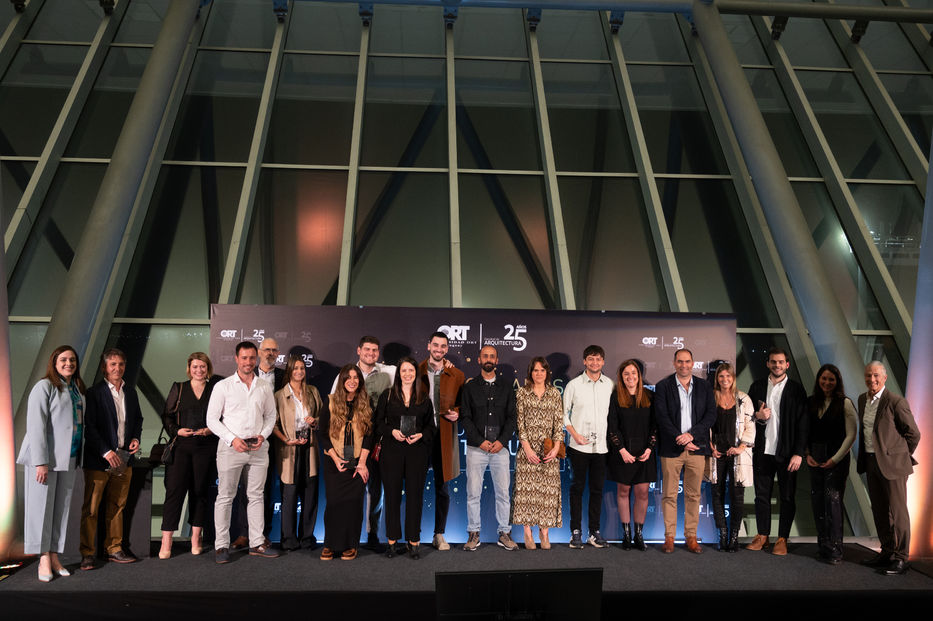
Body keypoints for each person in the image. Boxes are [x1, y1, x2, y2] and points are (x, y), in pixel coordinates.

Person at [17, 346, 86, 581]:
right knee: (41, 510)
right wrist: (40, 462)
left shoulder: (76, 388)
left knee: (61, 510)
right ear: (54, 362)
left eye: (72, 360)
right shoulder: (44, 386)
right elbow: (36, 426)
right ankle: (43, 557)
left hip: (69, 457)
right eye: (64, 359)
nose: (69, 363)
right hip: (45, 460)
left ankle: (55, 555)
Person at [207, 341, 279, 563]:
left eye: (251, 358)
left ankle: (257, 542)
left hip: (258, 450)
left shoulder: (264, 387)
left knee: (256, 496)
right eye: (244, 358)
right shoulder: (223, 386)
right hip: (231, 449)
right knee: (225, 497)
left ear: (256, 358)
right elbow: (211, 419)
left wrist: (263, 435)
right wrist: (232, 439)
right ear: (236, 359)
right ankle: (221, 546)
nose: (248, 362)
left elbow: (270, 417)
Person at [79, 348, 143, 570]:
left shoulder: (131, 392)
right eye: (113, 364)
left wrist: (135, 437)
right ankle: (87, 553)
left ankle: (114, 550)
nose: (118, 368)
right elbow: (90, 427)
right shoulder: (94, 393)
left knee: (117, 506)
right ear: (104, 367)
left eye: (121, 364)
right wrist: (106, 451)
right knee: (92, 509)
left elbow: (138, 419)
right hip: (100, 460)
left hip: (124, 459)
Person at [332, 336, 396, 552]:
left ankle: (372, 534)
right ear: (358, 350)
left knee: (377, 490)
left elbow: (411, 375)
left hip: (378, 442)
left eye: (375, 350)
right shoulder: (346, 374)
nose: (371, 353)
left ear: (378, 353)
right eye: (367, 349)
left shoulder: (389, 373)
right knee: (351, 489)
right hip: (351, 443)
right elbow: (333, 404)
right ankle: (349, 536)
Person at [857, 361, 920, 576]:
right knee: (880, 510)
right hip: (871, 462)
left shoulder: (895, 401)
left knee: (898, 512)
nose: (871, 380)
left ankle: (902, 558)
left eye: (875, 376)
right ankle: (887, 551)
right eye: (868, 376)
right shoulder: (862, 400)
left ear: (884, 378)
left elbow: (913, 434)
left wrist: (898, 455)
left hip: (893, 465)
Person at [746, 347, 808, 556]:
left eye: (781, 362)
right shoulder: (756, 387)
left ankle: (782, 538)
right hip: (763, 452)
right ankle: (762, 535)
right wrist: (757, 415)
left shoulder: (796, 390)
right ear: (768, 364)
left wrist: (799, 453)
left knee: (787, 497)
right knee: (761, 496)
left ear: (787, 365)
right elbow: (746, 417)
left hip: (788, 453)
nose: (777, 365)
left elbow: (803, 424)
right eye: (773, 362)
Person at [654, 348, 716, 554]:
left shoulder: (705, 386)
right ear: (674, 363)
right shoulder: (663, 386)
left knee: (693, 495)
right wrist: (681, 439)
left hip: (697, 448)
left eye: (687, 361)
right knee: (670, 495)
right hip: (671, 449)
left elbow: (710, 415)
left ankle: (691, 537)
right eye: (680, 361)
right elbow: (661, 417)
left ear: (693, 363)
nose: (684, 365)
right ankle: (669, 537)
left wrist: (691, 436)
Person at [158, 352, 220, 559]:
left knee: (200, 492)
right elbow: (166, 416)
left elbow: (224, 415)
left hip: (206, 447)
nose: (199, 370)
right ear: (189, 369)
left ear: (208, 368)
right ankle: (166, 540)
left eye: (202, 367)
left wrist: (211, 430)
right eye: (195, 367)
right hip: (182, 447)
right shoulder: (179, 387)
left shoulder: (215, 388)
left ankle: (196, 537)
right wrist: (176, 431)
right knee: (174, 492)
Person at [375, 357, 435, 559]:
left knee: (415, 498)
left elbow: (430, 428)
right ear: (398, 374)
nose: (407, 374)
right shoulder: (388, 395)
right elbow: (378, 424)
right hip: (392, 452)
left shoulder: (424, 397)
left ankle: (413, 541)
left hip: (416, 452)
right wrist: (391, 431)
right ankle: (392, 541)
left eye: (411, 370)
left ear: (416, 374)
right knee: (391, 497)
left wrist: (421, 435)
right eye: (404, 371)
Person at [460, 345, 518, 551]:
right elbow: (465, 418)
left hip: (500, 450)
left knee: (503, 493)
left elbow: (512, 418)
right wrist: (479, 441)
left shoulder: (507, 386)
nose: (488, 359)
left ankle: (504, 533)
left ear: (497, 360)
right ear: (479, 359)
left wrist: (502, 441)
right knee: (473, 493)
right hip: (477, 449)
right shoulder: (469, 387)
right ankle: (473, 533)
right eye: (485, 356)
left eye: (492, 356)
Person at [318, 364, 374, 561]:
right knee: (334, 503)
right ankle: (330, 545)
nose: (352, 380)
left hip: (358, 462)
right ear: (342, 381)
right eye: (348, 377)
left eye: (356, 377)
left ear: (360, 381)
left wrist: (363, 463)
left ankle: (351, 545)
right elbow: (322, 434)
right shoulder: (331, 401)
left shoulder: (366, 403)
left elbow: (369, 435)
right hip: (335, 461)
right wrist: (335, 458)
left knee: (353, 505)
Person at [417, 331, 465, 551]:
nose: (439, 349)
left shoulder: (457, 375)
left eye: (443, 346)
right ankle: (412, 535)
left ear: (447, 349)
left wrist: (457, 412)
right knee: (415, 486)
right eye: (435, 345)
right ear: (429, 346)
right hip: (418, 437)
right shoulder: (414, 371)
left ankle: (439, 534)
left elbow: (464, 405)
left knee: (442, 487)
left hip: (444, 436)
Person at [563, 345, 613, 549]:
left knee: (597, 490)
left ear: (603, 362)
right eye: (591, 359)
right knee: (576, 489)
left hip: (601, 448)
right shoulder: (573, 385)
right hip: (578, 447)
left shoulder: (609, 384)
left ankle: (595, 532)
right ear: (584, 361)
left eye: (598, 359)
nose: (594, 363)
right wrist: (575, 435)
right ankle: (575, 532)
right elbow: (563, 414)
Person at [512, 357, 564, 550]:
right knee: (527, 493)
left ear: (547, 373)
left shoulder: (554, 393)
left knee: (547, 493)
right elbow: (520, 423)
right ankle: (527, 532)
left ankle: (544, 532)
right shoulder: (522, 394)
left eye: (542, 370)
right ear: (530, 373)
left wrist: (557, 447)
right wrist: (526, 448)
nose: (539, 373)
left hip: (549, 451)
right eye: (535, 370)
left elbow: (559, 423)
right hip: (527, 451)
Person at [806, 364, 856, 565]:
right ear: (819, 380)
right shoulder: (811, 402)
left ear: (837, 382)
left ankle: (836, 550)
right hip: (814, 458)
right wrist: (807, 453)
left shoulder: (845, 403)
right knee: (818, 502)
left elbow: (852, 435)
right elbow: (806, 432)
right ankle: (823, 546)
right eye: (824, 378)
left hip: (837, 460)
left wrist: (835, 459)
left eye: (831, 379)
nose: (827, 382)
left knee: (833, 502)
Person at [273, 355, 324, 551]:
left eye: (302, 368)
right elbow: (273, 424)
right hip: (289, 448)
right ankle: (288, 539)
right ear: (289, 371)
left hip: (309, 448)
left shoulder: (312, 391)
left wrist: (315, 421)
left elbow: (321, 417)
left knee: (310, 495)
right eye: (295, 368)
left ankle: (307, 537)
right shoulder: (279, 395)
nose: (299, 372)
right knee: (290, 495)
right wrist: (286, 439)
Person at [606, 359, 656, 552]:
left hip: (645, 452)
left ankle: (638, 535)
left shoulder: (650, 396)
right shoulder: (616, 397)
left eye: (633, 373)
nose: (630, 377)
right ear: (621, 377)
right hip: (622, 453)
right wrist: (622, 451)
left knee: (642, 493)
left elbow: (655, 426)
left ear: (639, 376)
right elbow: (612, 427)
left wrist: (650, 448)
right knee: (623, 492)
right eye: (626, 374)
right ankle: (626, 535)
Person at [708, 363, 755, 553]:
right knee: (716, 494)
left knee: (737, 496)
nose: (724, 379)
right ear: (717, 378)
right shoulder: (711, 398)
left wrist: (741, 447)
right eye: (721, 376)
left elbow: (751, 425)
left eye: (728, 376)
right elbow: (704, 424)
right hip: (716, 453)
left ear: (733, 377)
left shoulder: (743, 398)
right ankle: (723, 534)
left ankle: (734, 536)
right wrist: (709, 445)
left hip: (738, 453)